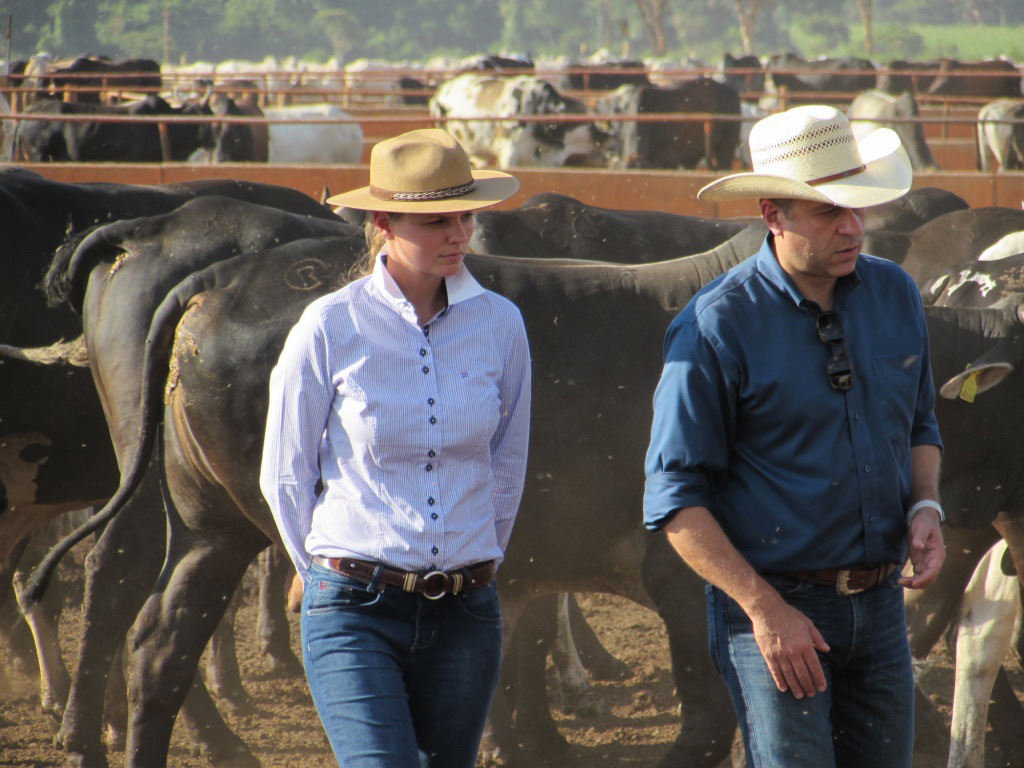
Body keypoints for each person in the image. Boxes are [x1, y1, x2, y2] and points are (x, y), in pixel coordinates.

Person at [643, 105, 945, 767]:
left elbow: (920, 421)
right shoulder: (715, 326)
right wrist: (764, 609)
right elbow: (674, 499)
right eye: (828, 211)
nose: (852, 225)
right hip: (776, 612)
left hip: (882, 605)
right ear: (772, 215)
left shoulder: (895, 293)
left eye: (857, 207)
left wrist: (925, 505)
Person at [260, 128, 531, 768]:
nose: (459, 233)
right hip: (353, 605)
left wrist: (479, 556)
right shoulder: (329, 324)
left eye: (465, 216)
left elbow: (508, 462)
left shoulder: (501, 324)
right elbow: (285, 473)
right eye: (436, 220)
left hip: (466, 610)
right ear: (383, 222)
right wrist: (316, 576)